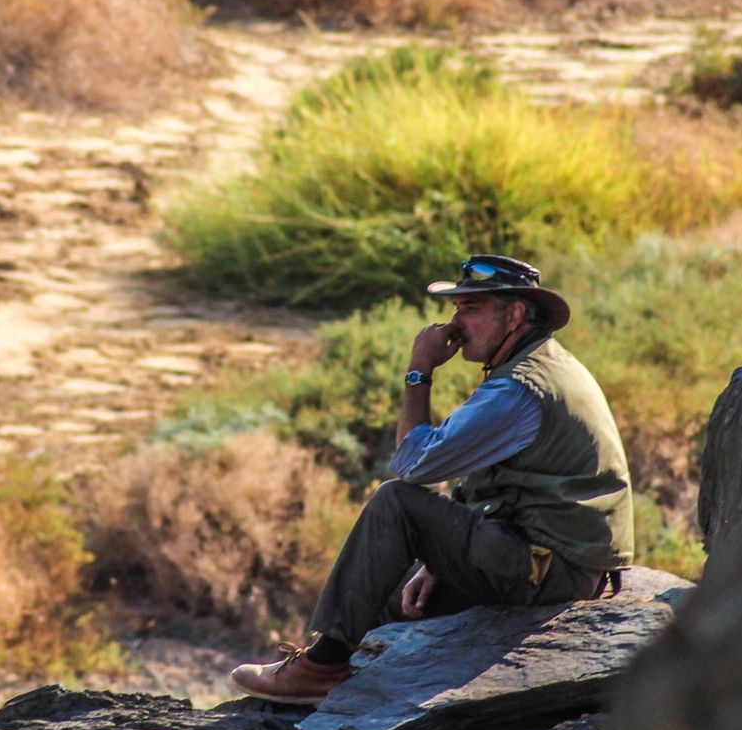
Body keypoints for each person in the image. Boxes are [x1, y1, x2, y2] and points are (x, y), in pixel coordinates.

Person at [229, 255, 634, 705]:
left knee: (396, 503)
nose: (456, 323)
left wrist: (419, 374)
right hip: (549, 556)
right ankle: (336, 668)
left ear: (515, 315)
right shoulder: (540, 365)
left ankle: (320, 669)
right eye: (457, 309)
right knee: (395, 593)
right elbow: (487, 480)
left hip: (551, 568)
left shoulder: (518, 389)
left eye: (471, 309)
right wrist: (436, 561)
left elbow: (414, 467)